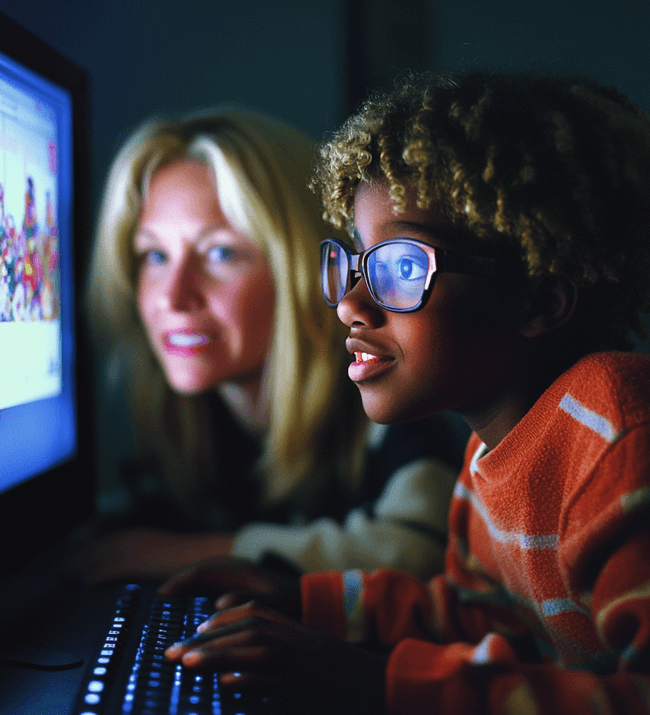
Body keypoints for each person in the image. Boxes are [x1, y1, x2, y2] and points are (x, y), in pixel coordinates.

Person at [161, 71, 650, 715]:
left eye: (401, 267)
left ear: (539, 298)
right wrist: (303, 600)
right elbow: (470, 617)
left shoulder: (615, 438)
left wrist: (374, 685)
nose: (351, 306)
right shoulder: (489, 451)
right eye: (358, 263)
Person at [77, 107, 467, 583]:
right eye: (155, 255)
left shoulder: (388, 397)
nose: (173, 298)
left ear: (304, 268)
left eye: (220, 253)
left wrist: (200, 552)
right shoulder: (185, 422)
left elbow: (421, 550)